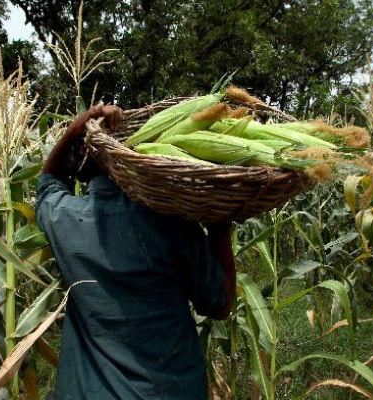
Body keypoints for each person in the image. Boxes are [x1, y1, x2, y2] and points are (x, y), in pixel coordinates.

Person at [35, 104, 236, 399]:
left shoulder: (63, 218)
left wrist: (73, 131)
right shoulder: (171, 221)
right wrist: (220, 225)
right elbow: (219, 304)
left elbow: (48, 183)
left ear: (79, 171)